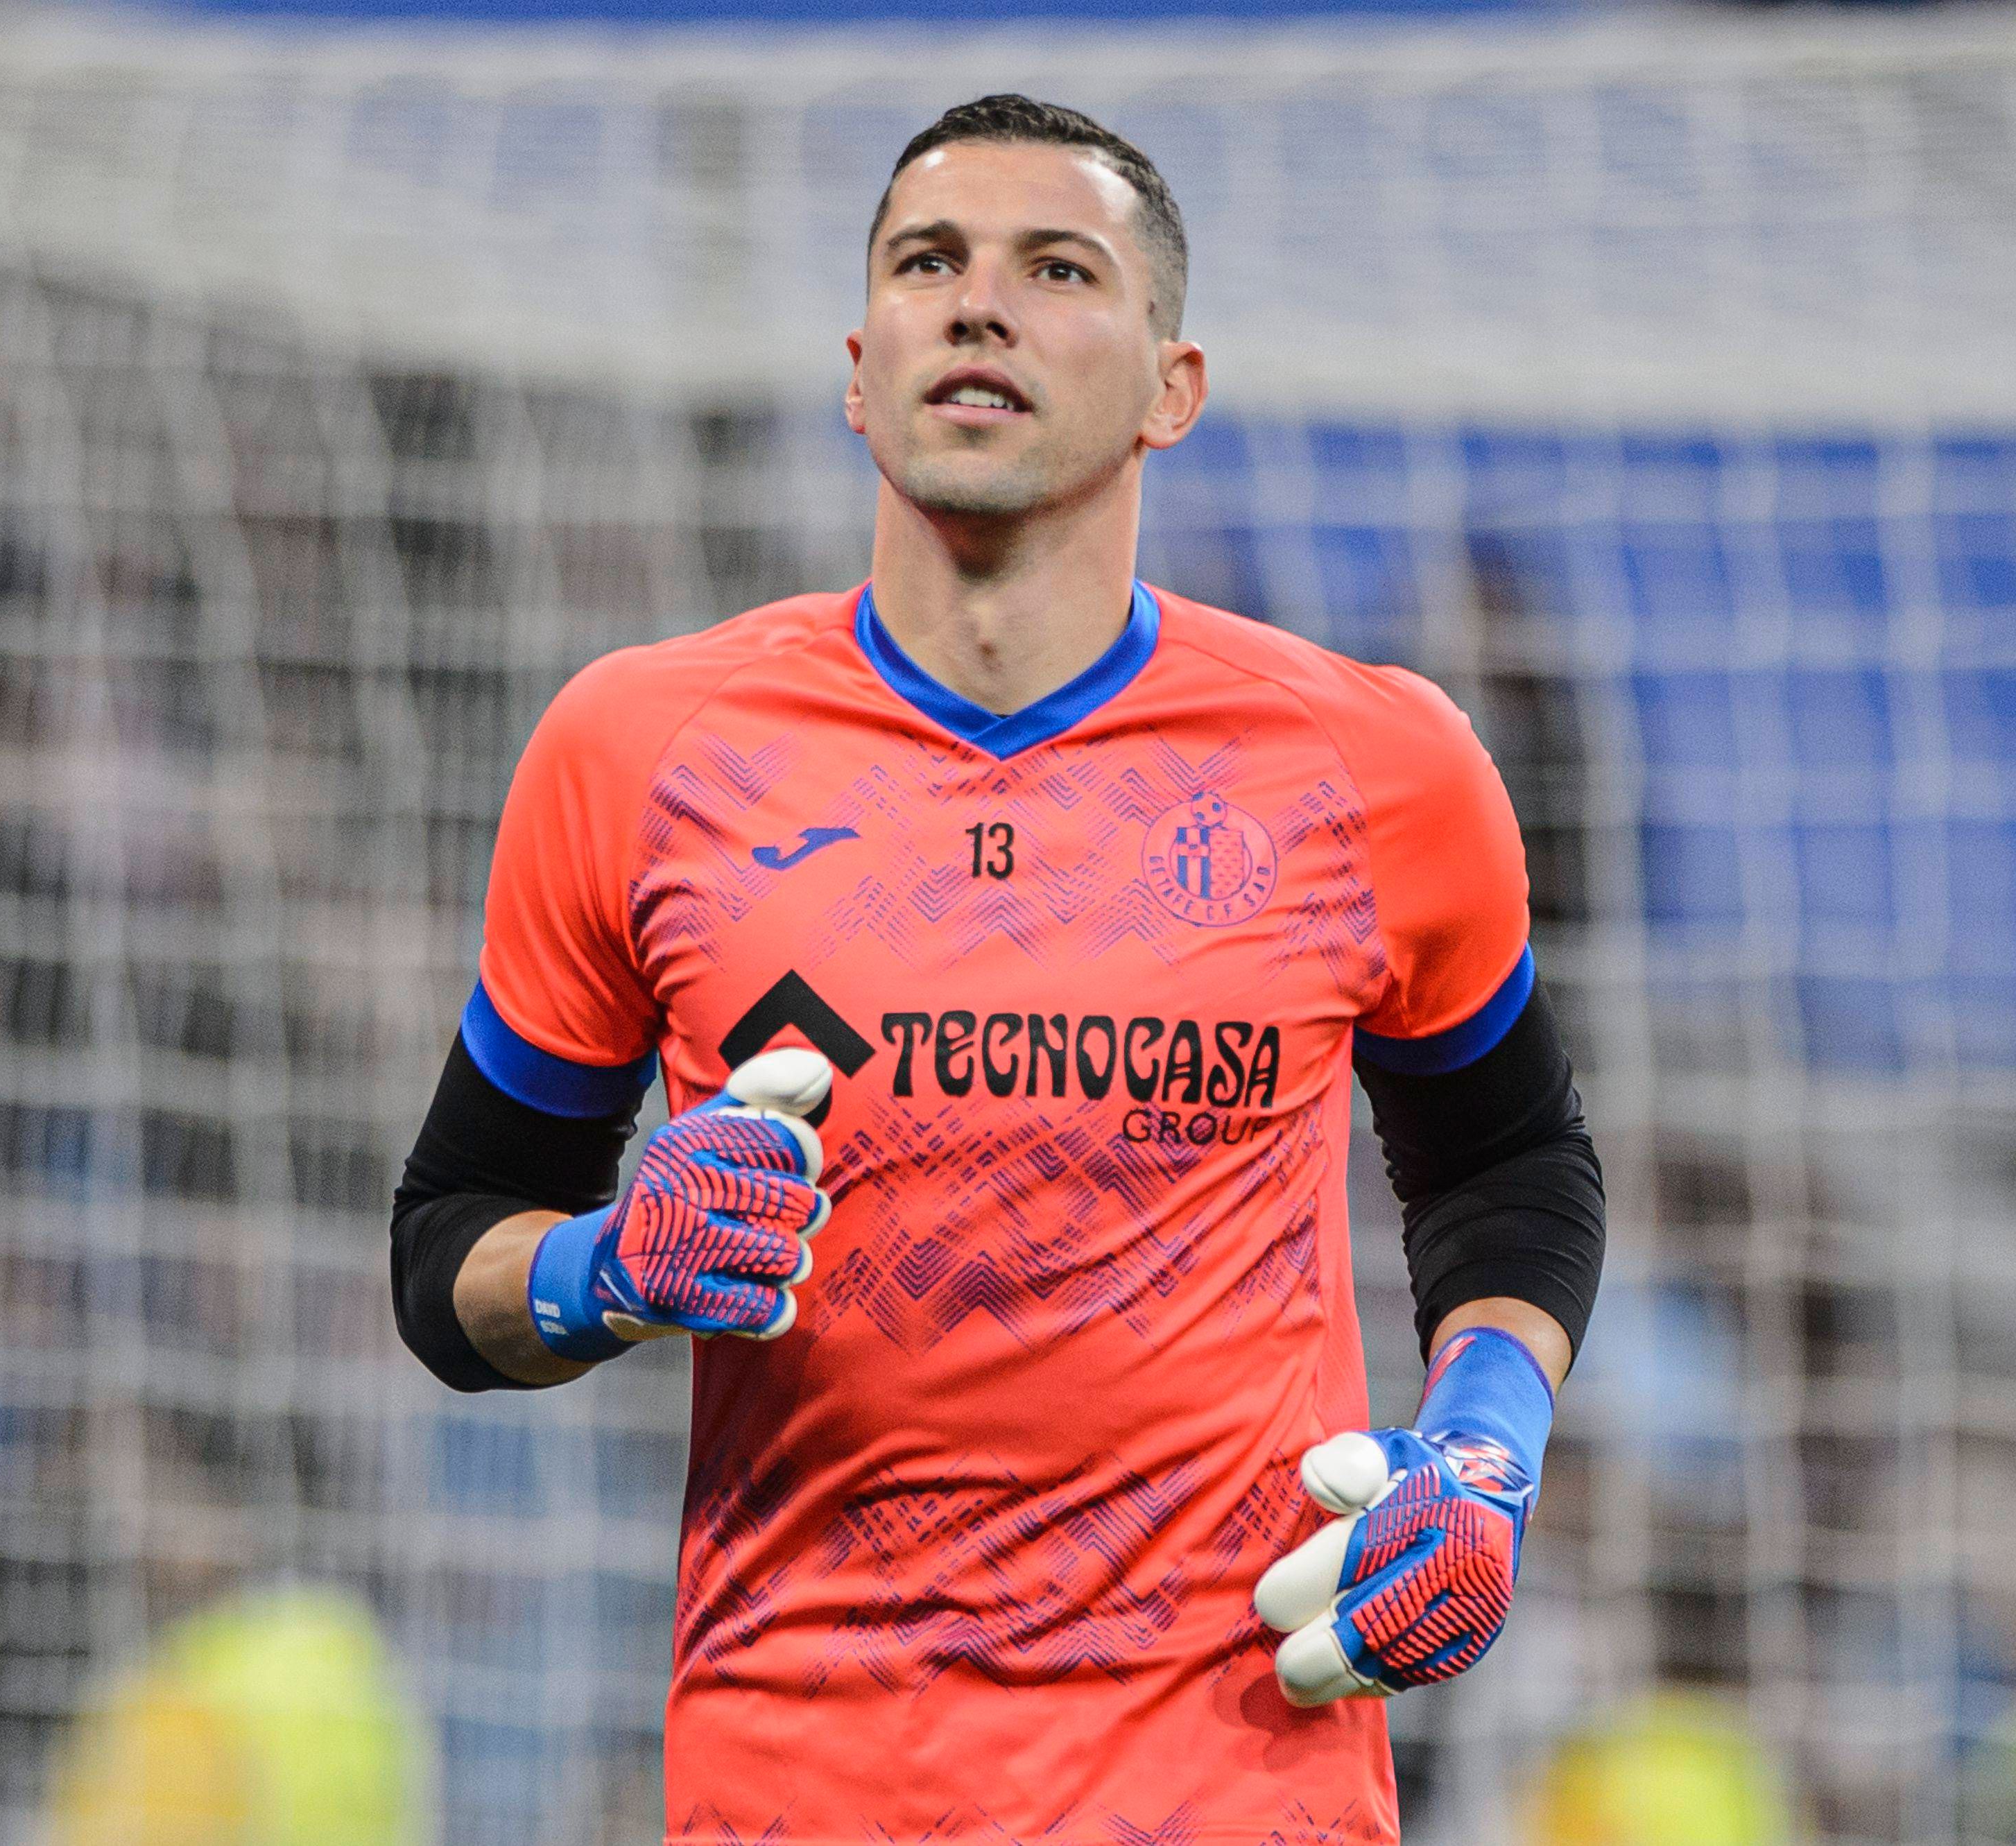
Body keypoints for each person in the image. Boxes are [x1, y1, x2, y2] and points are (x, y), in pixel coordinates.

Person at [391, 94, 1606, 1846]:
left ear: (1170, 387)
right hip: (795, 1793)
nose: (978, 304)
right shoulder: (639, 749)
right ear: (857, 369)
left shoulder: (1377, 766)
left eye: (1056, 268)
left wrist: (1482, 1445)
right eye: (925, 263)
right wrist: (604, 1267)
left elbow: (1507, 1163)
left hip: (1235, 1789)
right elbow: (449, 1241)